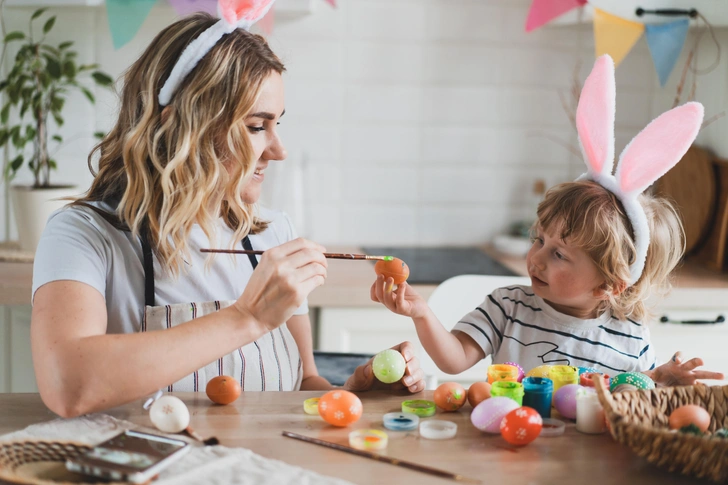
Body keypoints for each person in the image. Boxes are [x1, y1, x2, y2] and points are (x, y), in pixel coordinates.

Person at [30, 8, 424, 419]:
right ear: (179, 127)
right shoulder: (83, 235)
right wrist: (247, 317)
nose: (278, 150)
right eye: (257, 126)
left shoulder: (273, 234)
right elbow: (68, 385)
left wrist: (352, 391)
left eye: (277, 124)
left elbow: (303, 384)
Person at [370, 55, 725, 387]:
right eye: (539, 239)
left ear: (608, 286)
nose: (537, 258)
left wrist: (657, 380)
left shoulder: (629, 335)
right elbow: (454, 358)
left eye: (559, 254)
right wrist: (421, 313)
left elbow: (633, 396)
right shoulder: (507, 307)